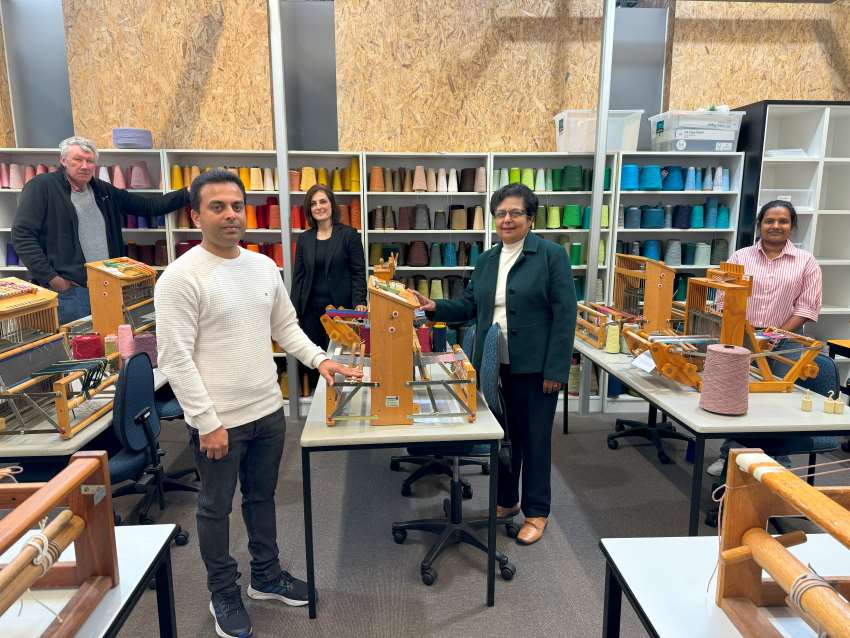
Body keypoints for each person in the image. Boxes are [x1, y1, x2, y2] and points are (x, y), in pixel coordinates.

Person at [155, 170, 361, 638]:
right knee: (214, 508)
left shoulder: (263, 267)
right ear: (196, 214)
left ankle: (265, 577)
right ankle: (222, 589)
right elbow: (175, 359)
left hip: (268, 411)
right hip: (219, 422)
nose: (230, 215)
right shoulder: (180, 278)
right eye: (217, 207)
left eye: (236, 206)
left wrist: (321, 360)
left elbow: (285, 328)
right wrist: (207, 422)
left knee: (262, 498)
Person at [411, 183, 577, 545]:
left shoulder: (550, 256)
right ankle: (506, 501)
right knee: (501, 438)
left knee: (533, 440)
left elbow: (566, 316)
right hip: (491, 368)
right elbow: (470, 305)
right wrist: (434, 306)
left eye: (516, 212)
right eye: (501, 213)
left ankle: (536, 512)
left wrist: (556, 370)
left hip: (535, 368)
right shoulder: (487, 259)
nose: (507, 219)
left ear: (530, 218)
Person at [12, 136, 189, 324]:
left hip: (109, 287)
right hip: (72, 290)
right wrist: (53, 279)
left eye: (90, 161)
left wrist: (189, 192)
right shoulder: (42, 187)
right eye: (78, 160)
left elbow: (148, 206)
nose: (85, 166)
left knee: (113, 342)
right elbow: (22, 235)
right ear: (63, 160)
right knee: (79, 346)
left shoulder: (102, 190)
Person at [706, 200, 822, 477]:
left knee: (777, 402)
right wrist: (748, 334)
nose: (776, 226)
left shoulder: (806, 262)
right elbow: (723, 300)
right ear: (760, 224)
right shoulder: (740, 258)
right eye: (770, 220)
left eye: (783, 221)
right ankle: (729, 455)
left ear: (792, 226)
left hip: (786, 340)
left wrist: (773, 335)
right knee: (735, 398)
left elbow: (807, 307)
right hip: (739, 337)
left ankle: (779, 460)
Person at [291, 184, 367, 391]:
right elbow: (299, 277)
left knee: (341, 358)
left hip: (340, 312)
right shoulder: (305, 239)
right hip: (310, 313)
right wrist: (293, 312)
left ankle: (342, 401)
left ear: (331, 205)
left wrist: (360, 301)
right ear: (309, 210)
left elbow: (358, 272)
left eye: (323, 201)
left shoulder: (349, 235)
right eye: (313, 203)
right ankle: (321, 405)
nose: (319, 207)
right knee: (316, 361)